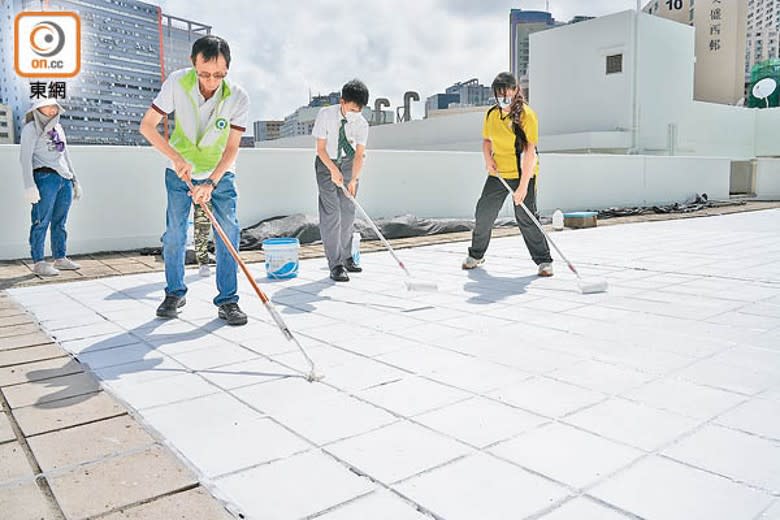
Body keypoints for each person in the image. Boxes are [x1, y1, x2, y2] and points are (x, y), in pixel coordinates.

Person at [139, 35, 250, 325]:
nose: (211, 81)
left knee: (229, 230)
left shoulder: (238, 96)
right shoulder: (177, 82)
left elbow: (231, 149)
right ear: (193, 64)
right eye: (204, 73)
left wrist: (211, 183)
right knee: (175, 233)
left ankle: (228, 300)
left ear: (228, 69)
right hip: (180, 171)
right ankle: (174, 292)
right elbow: (147, 127)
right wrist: (176, 158)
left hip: (219, 174)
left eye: (219, 75)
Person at [462, 72, 553, 276]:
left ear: (515, 91)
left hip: (524, 173)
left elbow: (530, 152)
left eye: (505, 93)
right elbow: (486, 141)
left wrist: (522, 188)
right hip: (498, 174)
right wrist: (488, 160)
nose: (502, 97)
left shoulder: (527, 115)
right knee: (484, 213)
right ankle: (476, 255)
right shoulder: (491, 115)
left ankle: (544, 261)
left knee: (525, 216)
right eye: (498, 93)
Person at [311, 79, 370, 282]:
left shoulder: (361, 123)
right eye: (353, 109)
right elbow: (320, 149)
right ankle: (335, 264)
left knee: (348, 212)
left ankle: (346, 257)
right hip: (326, 162)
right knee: (332, 213)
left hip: (348, 164)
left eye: (359, 109)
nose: (356, 113)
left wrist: (354, 179)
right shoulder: (325, 115)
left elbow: (359, 154)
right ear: (342, 101)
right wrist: (333, 170)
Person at [19, 98, 82, 277]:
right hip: (45, 177)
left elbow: (66, 155)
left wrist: (75, 180)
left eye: (54, 106)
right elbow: (25, 158)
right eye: (48, 106)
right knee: (41, 221)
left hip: (64, 179)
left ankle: (60, 258)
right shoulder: (31, 129)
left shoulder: (58, 128)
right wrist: (29, 185)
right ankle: (39, 262)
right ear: (38, 108)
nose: (52, 109)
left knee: (60, 222)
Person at [193, 202, 214, 277]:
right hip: (200, 194)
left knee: (225, 225)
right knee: (201, 229)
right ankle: (203, 263)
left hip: (219, 191)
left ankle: (229, 261)